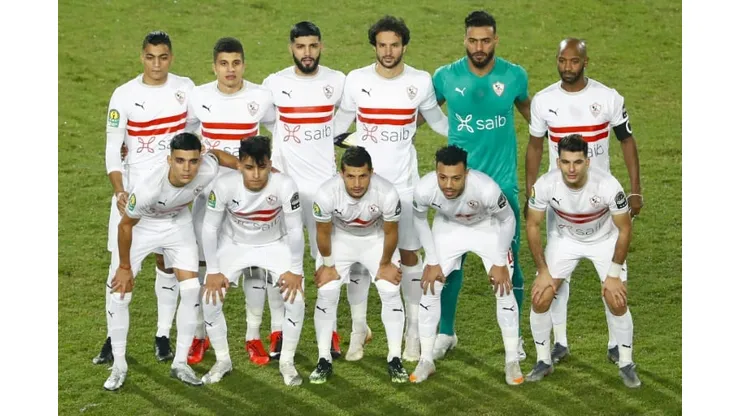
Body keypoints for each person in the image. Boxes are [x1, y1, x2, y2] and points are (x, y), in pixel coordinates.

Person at [333, 15, 449, 362]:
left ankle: (412, 333)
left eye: (394, 45)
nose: (388, 52)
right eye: (382, 45)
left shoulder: (420, 81)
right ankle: (359, 329)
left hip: (404, 187)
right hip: (362, 187)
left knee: (410, 256)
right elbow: (339, 125)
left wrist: (474, 130)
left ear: (404, 46)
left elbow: (439, 123)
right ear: (374, 46)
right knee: (358, 261)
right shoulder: (356, 80)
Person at [525, 38, 643, 365]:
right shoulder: (544, 101)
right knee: (557, 274)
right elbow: (535, 146)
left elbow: (627, 141)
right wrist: (530, 189)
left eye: (574, 61)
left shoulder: (607, 98)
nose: (567, 67)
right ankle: (560, 342)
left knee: (612, 276)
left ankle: (615, 344)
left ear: (585, 62)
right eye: (562, 61)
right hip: (560, 200)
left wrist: (635, 188)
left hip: (602, 202)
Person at [103, 132, 238, 391]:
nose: (187, 168)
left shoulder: (206, 168)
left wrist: (240, 165)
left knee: (191, 290)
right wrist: (124, 267)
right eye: (180, 161)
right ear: (169, 160)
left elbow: (217, 156)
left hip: (177, 224)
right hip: (143, 226)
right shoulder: (149, 188)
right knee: (119, 293)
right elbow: (125, 226)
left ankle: (180, 364)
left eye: (193, 161)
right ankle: (119, 366)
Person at [431, 10, 530, 360]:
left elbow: (535, 122)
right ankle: (445, 332)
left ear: (496, 40)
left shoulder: (514, 76)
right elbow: (420, 114)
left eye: (485, 40)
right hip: (455, 188)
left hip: (502, 188)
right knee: (448, 264)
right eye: (473, 40)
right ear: (464, 40)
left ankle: (515, 337)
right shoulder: (445, 77)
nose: (479, 47)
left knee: (510, 265)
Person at [93, 30, 196, 366]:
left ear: (171, 58)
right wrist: (119, 190)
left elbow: (197, 135)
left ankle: (162, 335)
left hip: (171, 199)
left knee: (168, 267)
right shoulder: (124, 95)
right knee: (119, 271)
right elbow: (112, 149)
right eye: (150, 57)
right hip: (134, 198)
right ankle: (112, 340)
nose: (156, 64)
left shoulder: (186, 89)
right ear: (142, 57)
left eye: (163, 57)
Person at [186, 37, 278, 366]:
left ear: (244, 65)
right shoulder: (198, 96)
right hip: (207, 193)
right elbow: (185, 134)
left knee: (253, 263)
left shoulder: (260, 96)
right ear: (214, 66)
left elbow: (280, 130)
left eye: (236, 63)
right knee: (202, 264)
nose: (230, 70)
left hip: (247, 195)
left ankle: (253, 336)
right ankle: (199, 335)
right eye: (223, 64)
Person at [525, 134, 640, 388]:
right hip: (565, 241)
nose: (571, 169)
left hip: (605, 240)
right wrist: (542, 270)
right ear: (558, 162)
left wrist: (613, 274)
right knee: (540, 296)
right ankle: (543, 361)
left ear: (587, 162)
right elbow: (532, 225)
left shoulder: (607, 185)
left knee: (616, 299)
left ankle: (626, 363)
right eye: (566, 162)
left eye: (577, 162)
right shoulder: (545, 184)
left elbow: (625, 229)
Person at [261, 21, 346, 360]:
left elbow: (350, 115)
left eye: (312, 46)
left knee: (326, 259)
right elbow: (264, 119)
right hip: (286, 189)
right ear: (291, 48)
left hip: (325, 188)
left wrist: (330, 134)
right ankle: (278, 330)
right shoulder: (274, 84)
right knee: (280, 259)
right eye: (300, 47)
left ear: (321, 46)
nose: (307, 53)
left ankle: (331, 331)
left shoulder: (337, 81)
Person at [409, 145, 522, 385]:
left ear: (466, 173)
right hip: (449, 227)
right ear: (436, 172)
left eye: (456, 178)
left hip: (487, 227)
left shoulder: (486, 189)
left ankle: (512, 360)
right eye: (442, 177)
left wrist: (500, 261)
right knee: (430, 286)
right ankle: (426, 360)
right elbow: (419, 220)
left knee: (503, 288)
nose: (448, 185)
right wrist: (432, 261)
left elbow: (508, 219)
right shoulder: (424, 189)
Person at [200, 136, 306, 386]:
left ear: (270, 164)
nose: (256, 175)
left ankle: (287, 362)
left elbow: (295, 230)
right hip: (234, 245)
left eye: (262, 167)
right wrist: (213, 270)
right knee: (209, 300)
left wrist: (296, 270)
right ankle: (223, 360)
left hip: (274, 244)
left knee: (296, 299)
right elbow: (209, 228)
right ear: (239, 165)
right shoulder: (224, 185)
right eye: (249, 167)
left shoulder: (285, 185)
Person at [310, 146, 408, 384]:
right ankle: (323, 359)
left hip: (375, 239)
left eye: (363, 176)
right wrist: (329, 265)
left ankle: (395, 358)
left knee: (390, 289)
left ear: (372, 173)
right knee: (326, 291)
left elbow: (391, 232)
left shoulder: (387, 192)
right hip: (340, 239)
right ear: (341, 174)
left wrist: (385, 264)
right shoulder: (326, 193)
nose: (356, 183)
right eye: (351, 176)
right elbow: (322, 232)